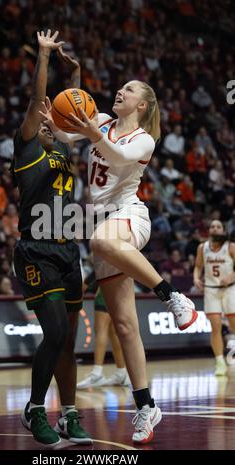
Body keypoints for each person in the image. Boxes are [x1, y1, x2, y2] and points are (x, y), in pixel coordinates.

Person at [42, 78, 198, 444]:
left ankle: (173, 296)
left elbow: (118, 156)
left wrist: (94, 132)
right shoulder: (104, 121)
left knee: (100, 240)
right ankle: (146, 407)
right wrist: (56, 123)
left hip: (129, 215)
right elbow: (69, 138)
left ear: (142, 105)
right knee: (125, 325)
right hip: (104, 225)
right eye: (121, 88)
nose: (120, 92)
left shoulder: (144, 139)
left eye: (129, 91)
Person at [12, 30, 91, 447]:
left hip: (67, 249)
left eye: (51, 118)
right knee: (56, 332)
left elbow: (73, 109)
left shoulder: (61, 150)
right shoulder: (27, 150)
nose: (48, 118)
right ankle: (35, 408)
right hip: (35, 249)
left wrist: (75, 72)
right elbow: (38, 101)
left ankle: (70, 414)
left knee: (68, 342)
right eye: (42, 118)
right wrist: (44, 57)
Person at [194, 220, 235, 376]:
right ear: (209, 230)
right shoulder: (202, 248)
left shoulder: (231, 247)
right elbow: (198, 267)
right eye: (213, 226)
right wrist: (196, 278)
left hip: (230, 289)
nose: (215, 229)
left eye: (219, 226)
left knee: (233, 325)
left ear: (223, 230)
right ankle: (219, 361)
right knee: (215, 326)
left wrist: (231, 276)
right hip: (211, 290)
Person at [77, 274, 130, 389]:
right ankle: (121, 373)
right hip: (121, 290)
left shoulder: (107, 257)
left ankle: (97, 374)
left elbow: (96, 271)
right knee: (113, 333)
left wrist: (83, 287)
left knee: (101, 330)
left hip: (106, 290)